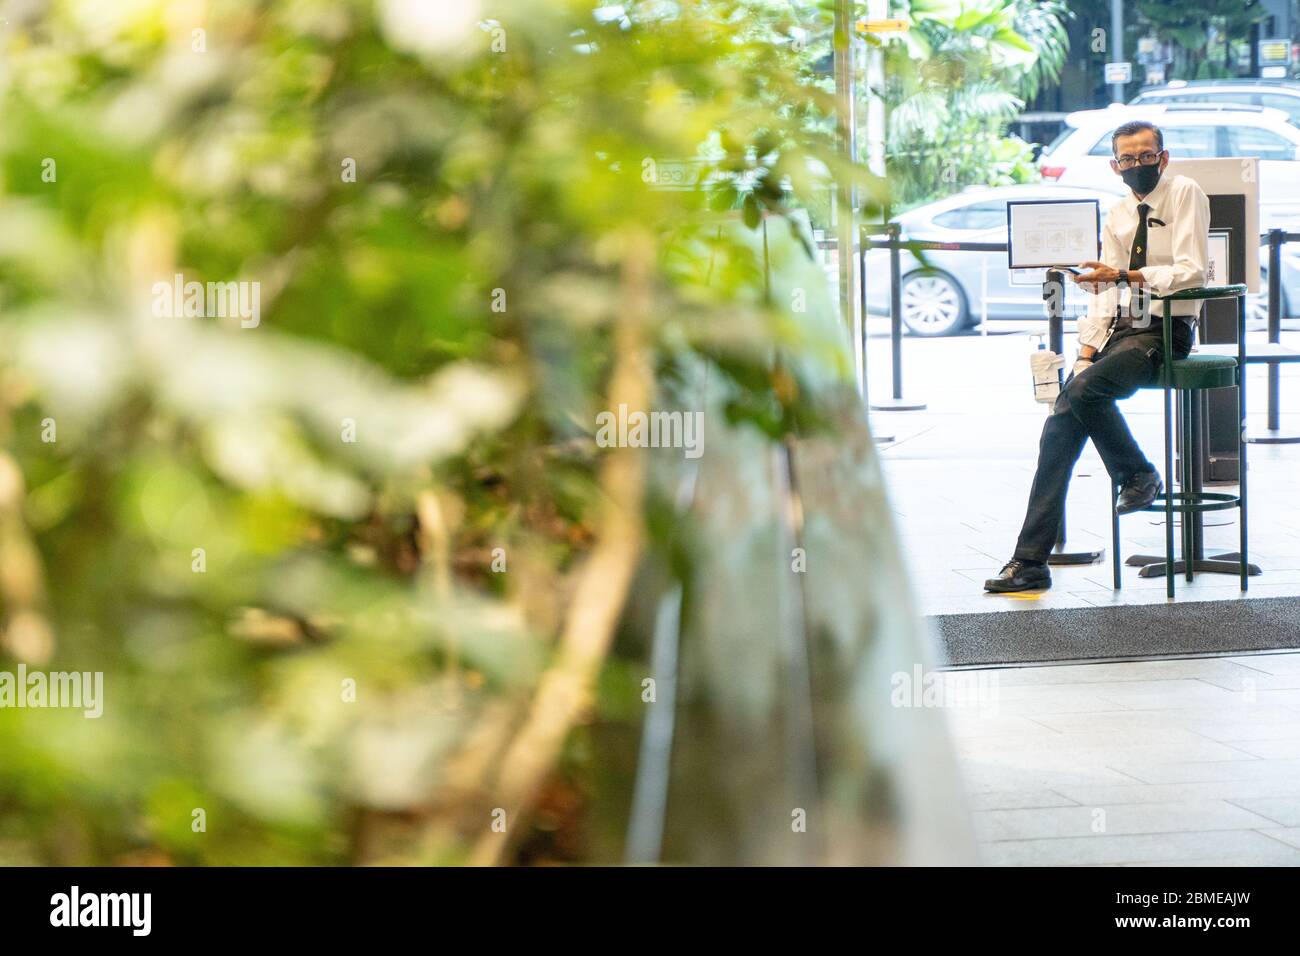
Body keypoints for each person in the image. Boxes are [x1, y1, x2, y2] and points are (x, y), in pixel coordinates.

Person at [985, 120, 1210, 592]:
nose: (1137, 166)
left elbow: (1192, 272)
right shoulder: (1118, 215)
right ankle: (1031, 560)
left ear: (1162, 158)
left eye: (1146, 156)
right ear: (1114, 166)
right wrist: (1086, 352)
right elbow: (1104, 293)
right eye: (1127, 160)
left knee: (1081, 396)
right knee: (1062, 421)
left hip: (1164, 328)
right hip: (1122, 332)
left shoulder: (1185, 191)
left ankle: (1138, 475)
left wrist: (1128, 277)